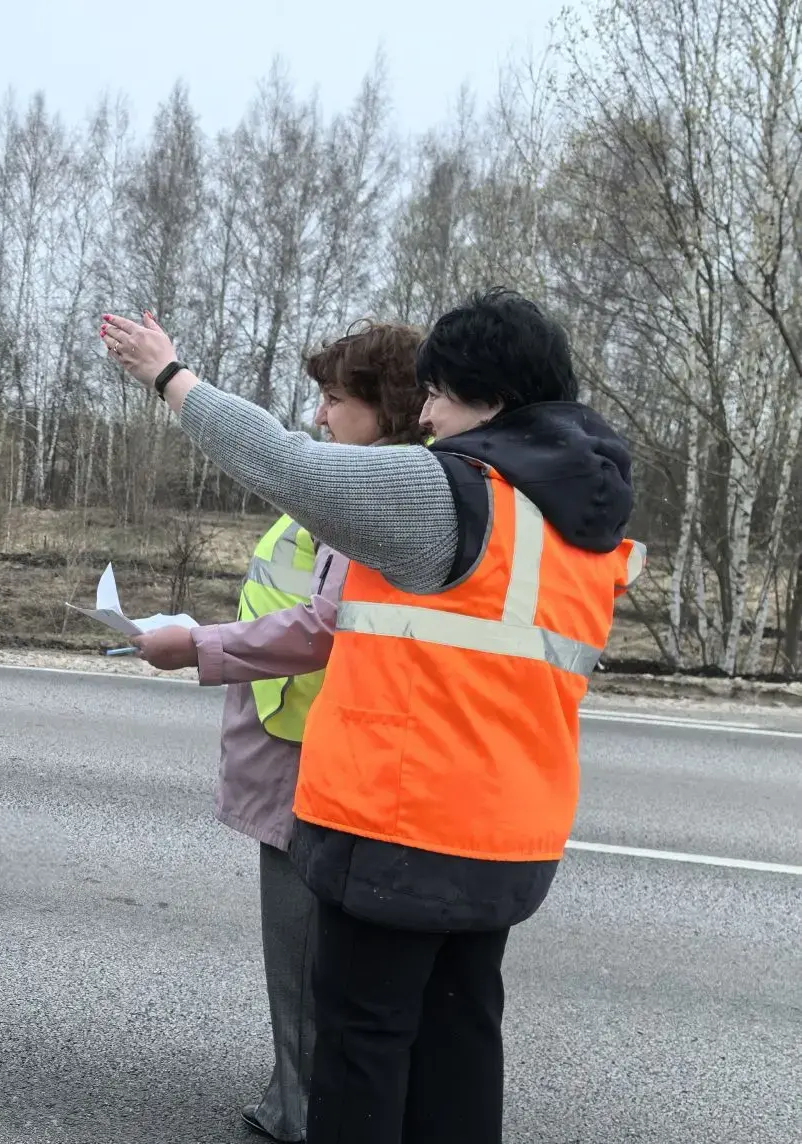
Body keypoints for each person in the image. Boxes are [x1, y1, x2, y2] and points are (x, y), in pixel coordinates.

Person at [100, 291, 643, 1144]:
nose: (425, 417)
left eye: (440, 395)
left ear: (491, 399)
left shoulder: (454, 493)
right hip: (508, 835)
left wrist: (171, 377)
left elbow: (288, 465)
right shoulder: (577, 522)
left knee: (362, 1052)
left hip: (401, 830)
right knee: (459, 1045)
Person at [132, 322, 425, 1143]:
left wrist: (198, 645)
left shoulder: (374, 497)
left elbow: (323, 625)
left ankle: (300, 1109)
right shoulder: (379, 488)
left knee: (303, 955)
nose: (320, 417)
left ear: (387, 407)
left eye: (335, 400)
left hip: (315, 749)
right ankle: (303, 1095)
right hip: (303, 734)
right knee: (319, 959)